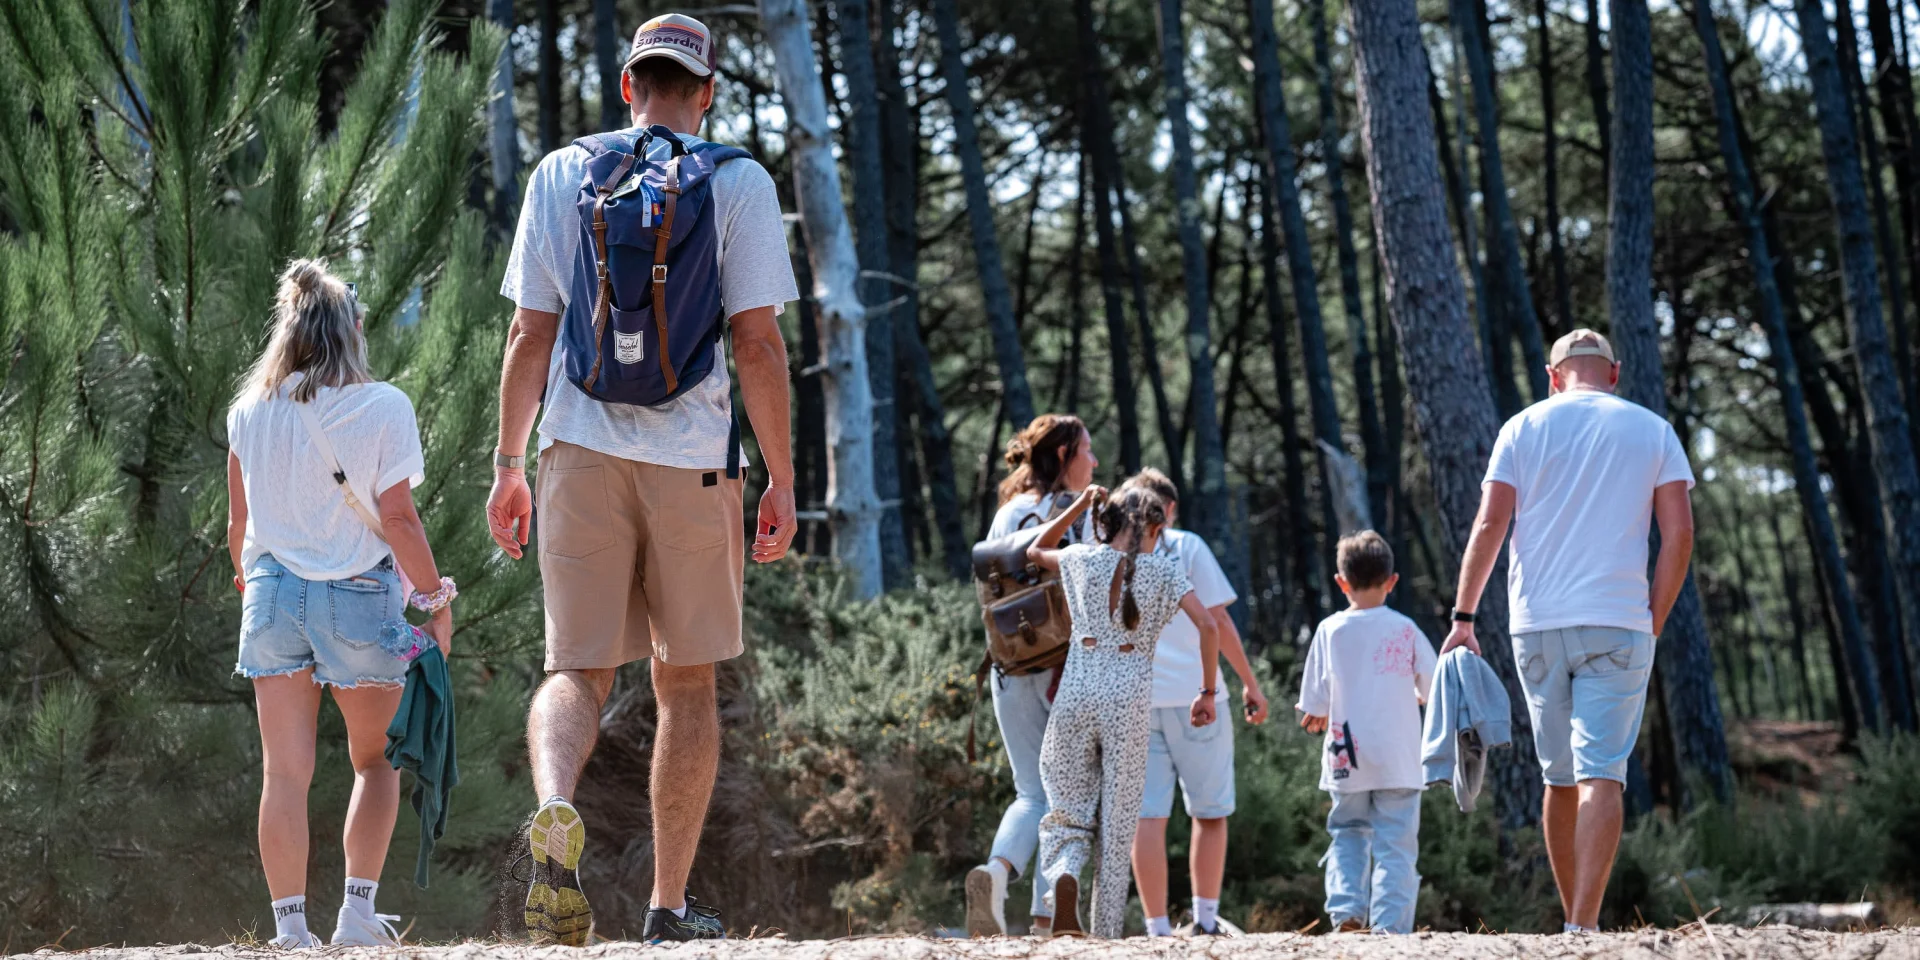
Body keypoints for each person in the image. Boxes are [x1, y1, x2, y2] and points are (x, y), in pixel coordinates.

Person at [486, 12, 799, 945]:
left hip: (575, 450)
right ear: (707, 93)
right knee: (685, 683)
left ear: (629, 85)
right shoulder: (737, 181)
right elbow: (758, 344)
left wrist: (508, 464)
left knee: (575, 669)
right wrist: (781, 479)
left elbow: (529, 334)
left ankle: (556, 807)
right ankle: (667, 906)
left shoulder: (559, 173)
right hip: (693, 461)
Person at [226, 259, 455, 949]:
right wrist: (435, 599)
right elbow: (400, 519)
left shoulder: (246, 411)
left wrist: (251, 581)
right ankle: (356, 916)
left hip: (270, 593)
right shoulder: (383, 406)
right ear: (353, 330)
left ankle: (290, 930)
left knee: (283, 774)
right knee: (374, 763)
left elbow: (237, 526)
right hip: (357, 595)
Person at [1440, 329, 1695, 933]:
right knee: (1601, 772)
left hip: (1537, 625)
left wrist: (1463, 617)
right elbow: (1680, 535)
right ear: (1614, 373)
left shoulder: (1521, 427)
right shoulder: (1653, 429)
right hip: (1619, 623)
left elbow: (1489, 525)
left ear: (1553, 377)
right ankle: (1583, 925)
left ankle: (1571, 926)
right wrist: (1653, 619)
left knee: (1558, 778)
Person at [1027, 482, 1219, 939]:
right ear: (1154, 528)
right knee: (1117, 821)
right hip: (1128, 699)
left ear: (1107, 523)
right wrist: (1207, 692)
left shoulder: (1080, 558)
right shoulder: (1165, 571)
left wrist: (1080, 504)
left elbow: (1035, 550)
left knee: (1066, 804)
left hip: (1076, 691)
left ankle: (1064, 875)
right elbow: (1209, 624)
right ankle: (1106, 932)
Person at [1115, 469, 1269, 937]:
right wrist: (1249, 683)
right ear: (1169, 511)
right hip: (1197, 697)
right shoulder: (1188, 547)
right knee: (1210, 811)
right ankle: (1204, 920)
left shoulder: (1110, 557)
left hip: (1137, 702)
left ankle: (1157, 928)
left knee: (1147, 816)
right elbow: (1217, 621)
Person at [963, 414, 1098, 937]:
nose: (1093, 462)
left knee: (1029, 792)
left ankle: (996, 873)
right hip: (1065, 669)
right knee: (1064, 797)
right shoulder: (1079, 514)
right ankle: (1047, 916)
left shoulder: (1008, 513)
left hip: (1009, 665)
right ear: (1064, 455)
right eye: (1086, 451)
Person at [1296, 531, 1436, 935]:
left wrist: (1319, 714)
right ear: (1392, 581)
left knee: (1347, 831)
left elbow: (1313, 703)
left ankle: (1347, 913)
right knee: (1396, 843)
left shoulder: (1330, 630)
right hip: (1398, 756)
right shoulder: (1406, 629)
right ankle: (1390, 927)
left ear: (1341, 582)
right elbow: (1433, 688)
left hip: (1347, 755)